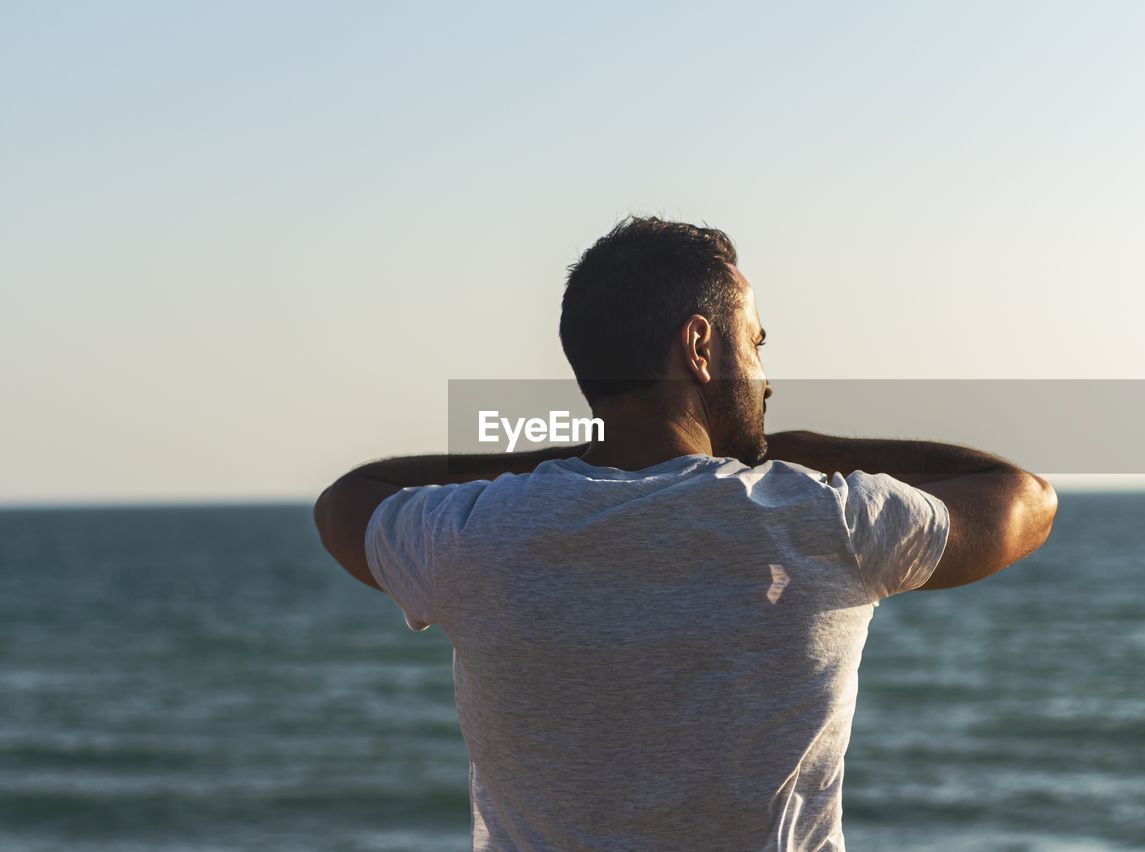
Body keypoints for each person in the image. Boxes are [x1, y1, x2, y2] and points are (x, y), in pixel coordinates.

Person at [313, 216, 1058, 851]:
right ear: (700, 346)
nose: (764, 378)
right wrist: (807, 448)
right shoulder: (822, 518)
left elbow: (346, 501)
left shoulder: (473, 535)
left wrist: (566, 456)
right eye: (755, 343)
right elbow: (1023, 499)